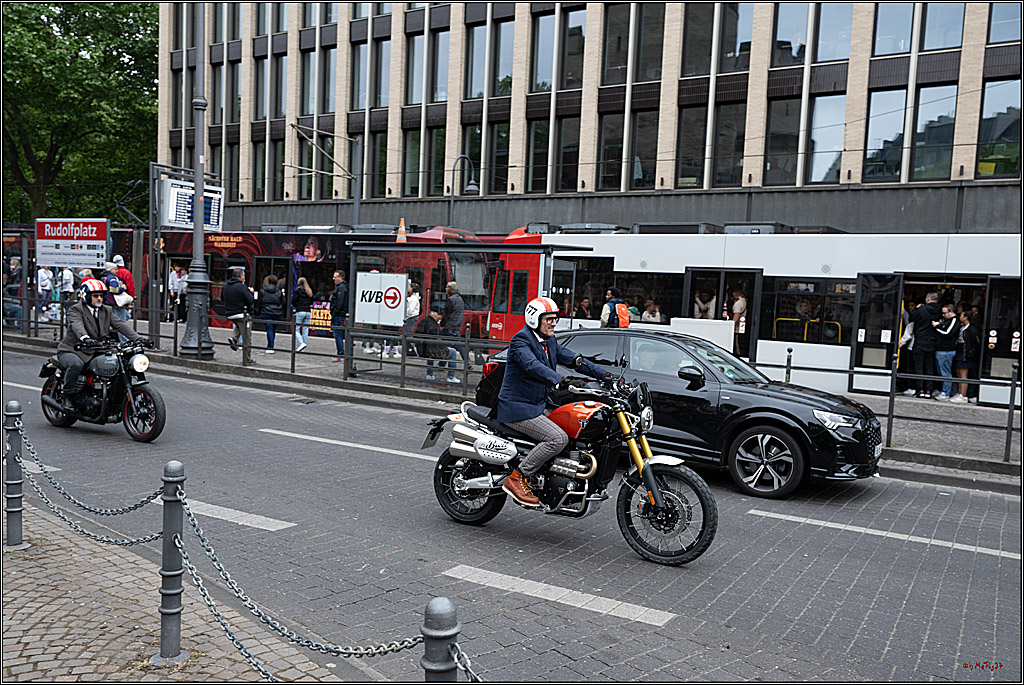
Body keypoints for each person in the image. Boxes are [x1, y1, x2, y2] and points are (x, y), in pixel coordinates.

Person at [496, 297, 607, 507]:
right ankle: (517, 477)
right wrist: (560, 380)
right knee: (556, 439)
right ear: (534, 319)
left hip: (538, 404)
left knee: (573, 427)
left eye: (555, 319)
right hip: (518, 407)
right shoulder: (521, 341)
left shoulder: (549, 340)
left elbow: (573, 359)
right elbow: (532, 365)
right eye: (549, 319)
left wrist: (604, 375)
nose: (554, 323)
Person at [56, 278, 141, 412]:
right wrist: (85, 338)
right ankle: (67, 396)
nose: (99, 299)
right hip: (73, 350)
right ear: (86, 296)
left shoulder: (106, 310)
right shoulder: (76, 310)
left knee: (118, 363)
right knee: (76, 365)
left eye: (101, 296)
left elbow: (120, 325)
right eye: (95, 296)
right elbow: (77, 325)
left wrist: (138, 339)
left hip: (97, 349)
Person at [908, 291, 942, 398]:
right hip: (932, 342)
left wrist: (917, 308)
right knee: (929, 368)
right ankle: (928, 390)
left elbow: (911, 318)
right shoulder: (940, 310)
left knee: (919, 367)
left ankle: (920, 390)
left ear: (928, 298)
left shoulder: (921, 310)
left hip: (920, 341)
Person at [416, 304, 458, 382]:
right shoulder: (433, 325)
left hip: (422, 350)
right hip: (431, 351)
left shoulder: (423, 321)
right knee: (453, 352)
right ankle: (451, 377)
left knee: (434, 349)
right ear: (434, 313)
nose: (439, 317)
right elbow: (438, 338)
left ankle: (430, 374)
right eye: (439, 314)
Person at [222, 267, 255, 361]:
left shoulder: (226, 285)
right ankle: (247, 359)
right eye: (244, 275)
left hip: (229, 313)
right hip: (241, 313)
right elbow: (250, 300)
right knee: (247, 337)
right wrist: (250, 292)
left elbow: (222, 298)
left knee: (238, 325)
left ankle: (234, 339)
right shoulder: (241, 286)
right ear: (240, 276)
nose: (244, 277)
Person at [951, 311, 981, 403]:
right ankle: (960, 393)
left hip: (966, 354)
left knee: (963, 375)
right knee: (959, 373)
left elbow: (975, 343)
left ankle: (963, 395)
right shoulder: (962, 328)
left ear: (966, 317)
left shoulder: (972, 330)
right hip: (960, 352)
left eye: (962, 315)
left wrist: (971, 353)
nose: (960, 317)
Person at [932, 305, 961, 401]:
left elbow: (947, 333)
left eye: (944, 313)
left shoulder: (954, 321)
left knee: (945, 373)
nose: (943, 315)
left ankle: (945, 393)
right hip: (942, 350)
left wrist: (937, 326)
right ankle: (943, 391)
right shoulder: (948, 320)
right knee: (942, 372)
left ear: (951, 312)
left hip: (946, 350)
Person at [255, 274, 284, 353]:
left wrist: (258, 310)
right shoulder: (279, 291)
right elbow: (283, 302)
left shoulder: (262, 291)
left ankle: (270, 346)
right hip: (277, 313)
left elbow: (259, 302)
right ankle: (271, 345)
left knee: (269, 329)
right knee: (273, 330)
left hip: (266, 312)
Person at [328, 270, 348, 363]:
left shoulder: (341, 288)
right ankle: (340, 353)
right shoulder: (342, 287)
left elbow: (339, 302)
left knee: (338, 334)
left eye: (335, 277)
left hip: (338, 315)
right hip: (339, 314)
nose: (333, 279)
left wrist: (335, 311)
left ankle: (340, 354)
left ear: (340, 278)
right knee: (337, 334)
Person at [292, 276, 314, 352]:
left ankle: (301, 343)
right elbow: (311, 301)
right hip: (308, 311)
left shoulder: (297, 291)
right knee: (305, 330)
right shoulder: (309, 291)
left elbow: (294, 301)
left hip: (300, 310)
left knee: (296, 329)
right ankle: (303, 349)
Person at [401, 281, 421, 356]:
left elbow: (410, 310)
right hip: (411, 317)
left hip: (411, 317)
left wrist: (405, 315)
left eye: (409, 287)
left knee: (408, 333)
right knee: (408, 333)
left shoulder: (413, 299)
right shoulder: (413, 298)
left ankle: (411, 350)